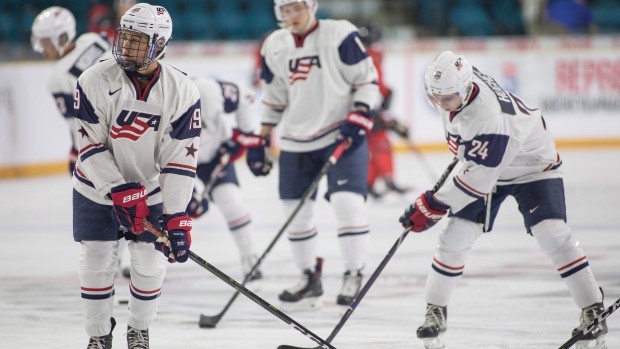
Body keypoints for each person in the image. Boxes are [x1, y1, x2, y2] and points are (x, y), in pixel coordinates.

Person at [399, 51, 607, 349]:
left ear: (466, 90)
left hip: (532, 166)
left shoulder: (490, 118)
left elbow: (479, 180)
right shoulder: (456, 86)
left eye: (446, 99)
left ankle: (592, 309)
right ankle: (436, 309)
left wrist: (432, 204)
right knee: (455, 235)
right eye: (435, 98)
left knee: (553, 234)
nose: (440, 105)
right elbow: (474, 154)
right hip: (490, 163)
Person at [72, 4, 201, 348]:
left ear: (159, 44)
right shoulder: (93, 79)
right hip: (95, 189)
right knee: (97, 261)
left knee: (149, 261)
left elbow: (180, 159)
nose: (127, 46)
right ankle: (98, 336)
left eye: (138, 40)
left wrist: (176, 216)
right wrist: (118, 190)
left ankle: (139, 328)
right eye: (125, 37)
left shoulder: (182, 89)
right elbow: (88, 144)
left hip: (151, 188)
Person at [248, 0, 379, 311]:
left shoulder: (340, 34)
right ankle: (310, 277)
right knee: (294, 212)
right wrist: (262, 138)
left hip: (340, 135)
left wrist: (360, 114)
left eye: (297, 8)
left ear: (311, 6)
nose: (291, 16)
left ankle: (353, 273)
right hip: (295, 141)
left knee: (348, 203)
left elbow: (367, 80)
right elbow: (275, 96)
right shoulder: (274, 45)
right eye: (285, 10)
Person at [187, 77, 264, 281]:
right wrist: (191, 190)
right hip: (178, 164)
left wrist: (243, 133)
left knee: (232, 202)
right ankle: (131, 263)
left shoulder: (208, 90)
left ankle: (251, 259)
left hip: (215, 155)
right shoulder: (164, 105)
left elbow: (246, 96)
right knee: (154, 211)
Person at [30, 6, 111, 175]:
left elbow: (78, 127)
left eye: (46, 42)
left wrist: (76, 154)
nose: (42, 48)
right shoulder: (91, 39)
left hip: (104, 140)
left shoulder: (58, 78)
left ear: (62, 38)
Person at [358, 24, 411, 199]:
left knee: (371, 144)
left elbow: (378, 85)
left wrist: (386, 95)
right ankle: (385, 179)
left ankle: (369, 182)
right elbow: (374, 85)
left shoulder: (364, 57)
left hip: (365, 107)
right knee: (380, 142)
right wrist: (385, 97)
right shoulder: (370, 58)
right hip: (366, 108)